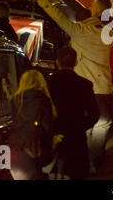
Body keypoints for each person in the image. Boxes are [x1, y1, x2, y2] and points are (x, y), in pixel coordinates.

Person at [36, 0, 113, 171]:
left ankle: (83, 162)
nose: (89, 7)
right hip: (103, 88)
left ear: (97, 10)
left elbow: (59, 18)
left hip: (84, 86)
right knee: (102, 125)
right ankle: (95, 162)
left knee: (82, 125)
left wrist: (43, 2)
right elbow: (78, 9)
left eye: (93, 5)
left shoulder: (80, 31)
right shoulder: (109, 33)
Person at [47, 46, 100, 179]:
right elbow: (94, 114)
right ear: (76, 63)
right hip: (77, 139)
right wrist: (81, 126)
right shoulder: (85, 84)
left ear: (57, 62)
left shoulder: (48, 83)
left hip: (53, 137)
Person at [7, 69, 57, 180]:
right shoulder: (43, 99)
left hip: (13, 149)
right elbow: (47, 127)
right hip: (33, 149)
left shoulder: (15, 99)